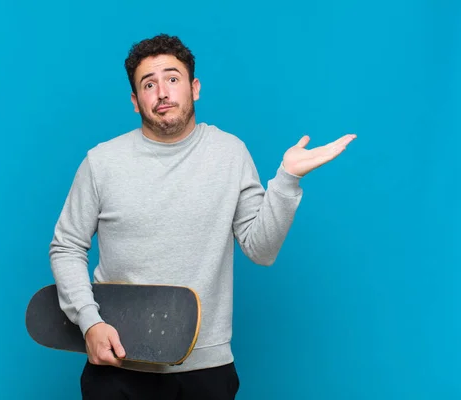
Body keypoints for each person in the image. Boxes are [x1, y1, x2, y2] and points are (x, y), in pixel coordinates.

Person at [48, 34, 356, 399]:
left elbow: (261, 250)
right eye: (149, 84)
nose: (162, 92)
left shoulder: (230, 154)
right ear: (135, 101)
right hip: (120, 364)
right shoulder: (101, 162)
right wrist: (89, 322)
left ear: (195, 88)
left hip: (206, 369)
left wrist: (287, 181)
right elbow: (66, 246)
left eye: (172, 78)